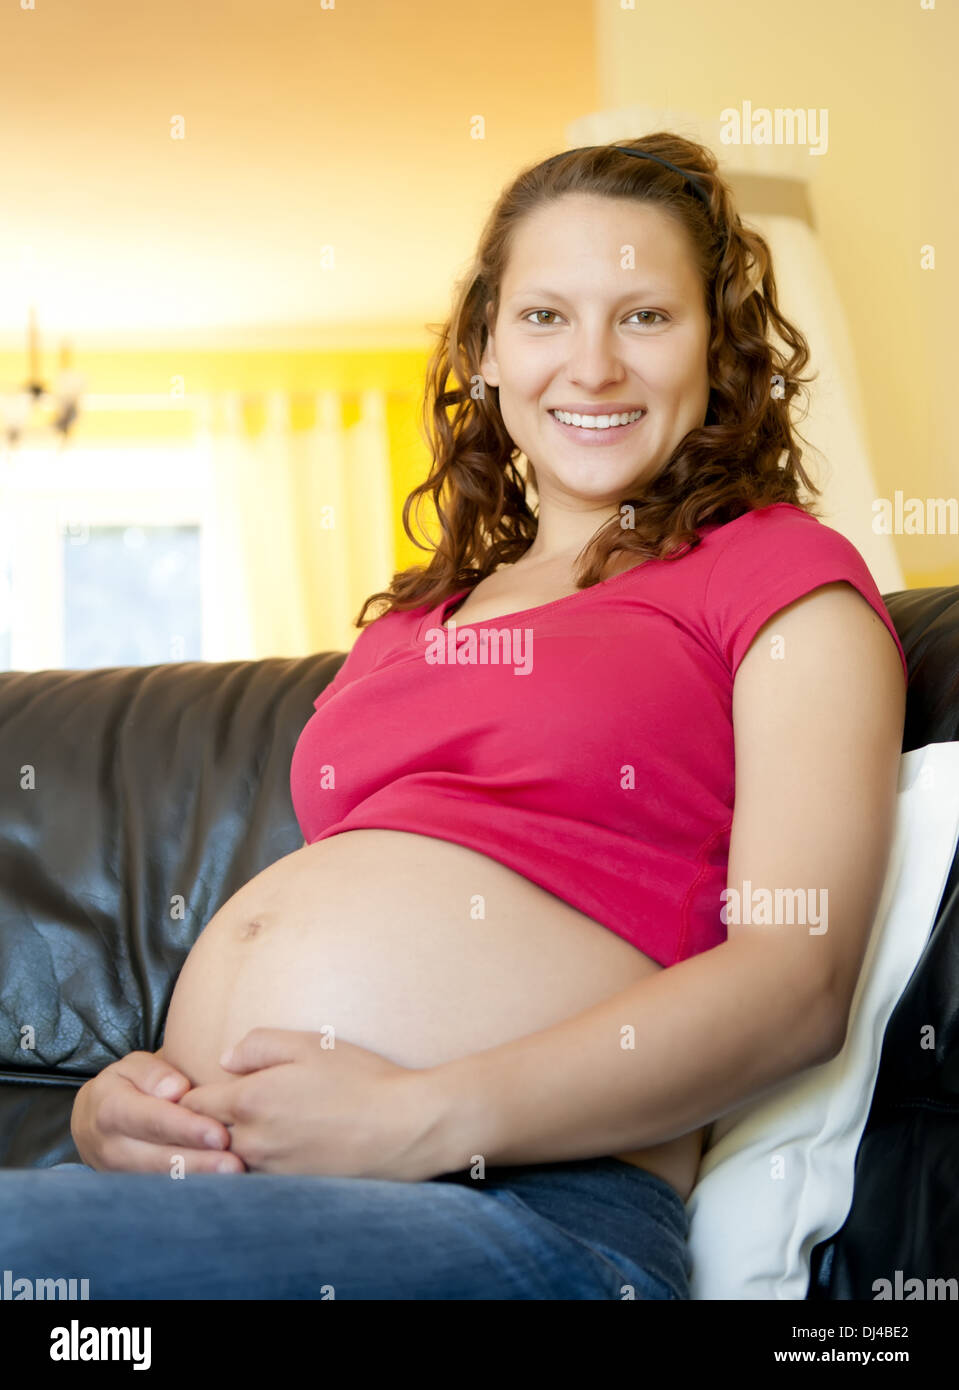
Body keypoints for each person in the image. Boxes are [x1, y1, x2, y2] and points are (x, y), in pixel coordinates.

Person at [0, 134, 907, 1301]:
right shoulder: (411, 626)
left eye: (643, 316)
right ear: (482, 347)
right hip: (226, 1180)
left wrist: (419, 1117)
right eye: (543, 317)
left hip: (524, 1204)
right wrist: (117, 1105)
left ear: (717, 348)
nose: (591, 365)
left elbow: (795, 981)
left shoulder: (780, 575)